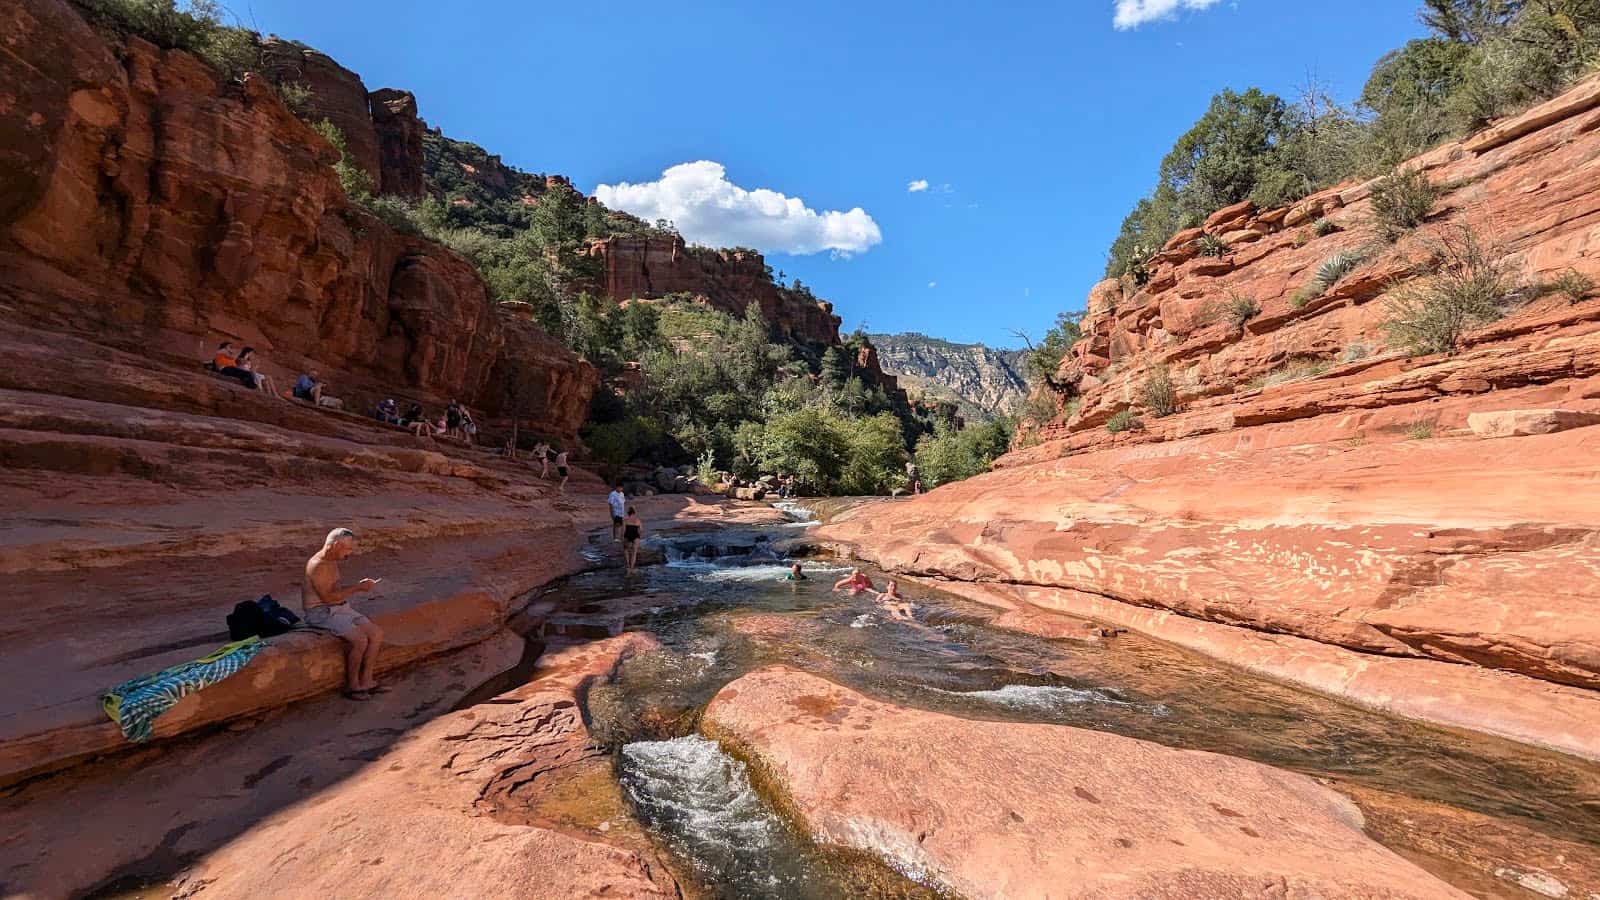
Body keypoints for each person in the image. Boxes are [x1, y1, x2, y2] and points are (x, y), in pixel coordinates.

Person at [303, 527, 385, 699]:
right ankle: (353, 686)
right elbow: (328, 599)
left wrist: (358, 587)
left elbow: (336, 591)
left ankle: (367, 680)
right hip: (321, 612)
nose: (350, 553)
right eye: (347, 549)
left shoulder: (332, 560)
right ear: (334, 545)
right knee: (360, 640)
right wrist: (358, 587)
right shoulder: (317, 565)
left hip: (339, 607)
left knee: (376, 634)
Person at [622, 506, 643, 572]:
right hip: (636, 536)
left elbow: (623, 530)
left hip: (627, 535)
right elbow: (641, 530)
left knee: (626, 550)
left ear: (628, 513)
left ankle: (628, 565)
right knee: (634, 553)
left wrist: (622, 538)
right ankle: (632, 567)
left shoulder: (625, 520)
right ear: (634, 513)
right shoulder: (638, 520)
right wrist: (640, 537)